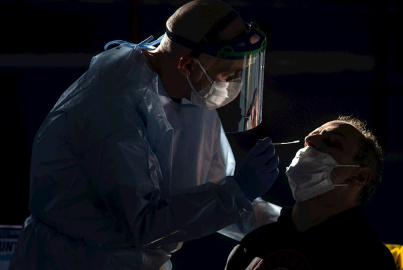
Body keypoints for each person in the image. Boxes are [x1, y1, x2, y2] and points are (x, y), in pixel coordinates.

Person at [9, 1, 281, 269]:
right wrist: (238, 192)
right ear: (186, 66)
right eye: (228, 74)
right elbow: (145, 224)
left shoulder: (193, 92)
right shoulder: (112, 107)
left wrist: (289, 223)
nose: (233, 84)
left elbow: (213, 195)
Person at [224, 115, 397, 270]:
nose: (310, 139)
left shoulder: (369, 259)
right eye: (311, 137)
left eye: (331, 142)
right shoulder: (253, 245)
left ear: (358, 176)